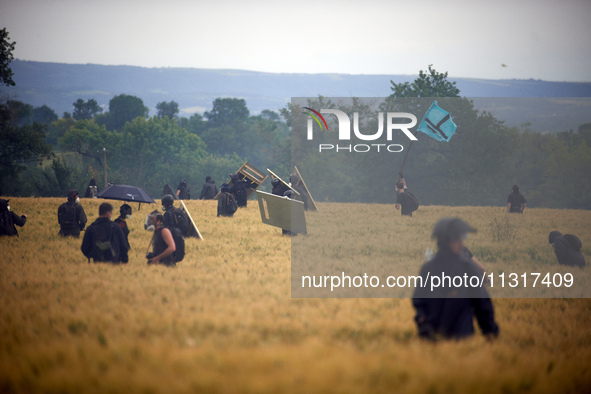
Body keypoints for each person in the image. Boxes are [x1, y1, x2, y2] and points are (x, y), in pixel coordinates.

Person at [412, 218, 499, 340]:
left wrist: (490, 332)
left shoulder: (468, 268)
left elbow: (482, 305)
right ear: (444, 241)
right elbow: (419, 301)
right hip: (432, 339)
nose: (461, 243)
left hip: (462, 339)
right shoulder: (428, 269)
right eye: (456, 239)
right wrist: (422, 322)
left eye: (462, 239)